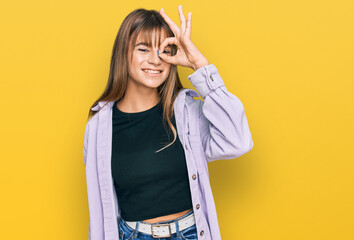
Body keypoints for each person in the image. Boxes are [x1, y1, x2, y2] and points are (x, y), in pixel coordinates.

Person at [83, 5, 254, 240]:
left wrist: (199, 65)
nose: (156, 60)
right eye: (143, 49)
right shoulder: (98, 129)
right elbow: (99, 213)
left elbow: (238, 141)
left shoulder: (186, 112)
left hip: (191, 234)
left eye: (165, 50)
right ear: (124, 53)